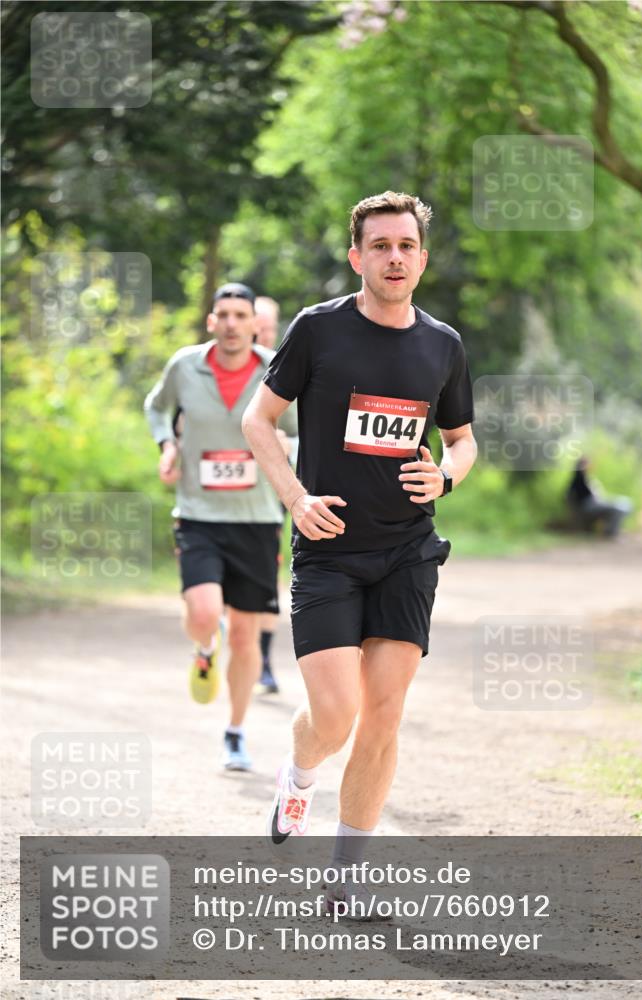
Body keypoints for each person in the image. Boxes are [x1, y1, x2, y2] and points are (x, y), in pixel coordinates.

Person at [242, 191, 477, 909]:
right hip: (329, 551)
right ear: (357, 257)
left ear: (422, 258)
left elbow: (463, 440)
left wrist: (443, 471)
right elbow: (258, 418)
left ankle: (345, 875)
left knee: (382, 717)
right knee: (336, 716)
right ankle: (299, 774)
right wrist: (295, 498)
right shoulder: (318, 331)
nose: (394, 257)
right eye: (379, 246)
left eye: (405, 245)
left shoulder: (442, 344)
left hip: (407, 551)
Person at [144, 282, 297, 771]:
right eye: (223, 315)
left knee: (246, 637)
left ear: (255, 323)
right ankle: (203, 648)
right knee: (206, 613)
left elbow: (299, 432)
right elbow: (155, 406)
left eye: (240, 315)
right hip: (198, 514)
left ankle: (235, 731)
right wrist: (167, 444)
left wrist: (278, 449)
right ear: (212, 321)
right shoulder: (185, 366)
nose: (231, 323)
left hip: (256, 520)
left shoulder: (278, 368)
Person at [254, 296, 283, 693]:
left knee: (266, 576)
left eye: (269, 328)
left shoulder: (286, 364)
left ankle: (262, 661)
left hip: (269, 493)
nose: (262, 334)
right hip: (219, 501)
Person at [566, 457, 633, 538]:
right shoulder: (579, 479)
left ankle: (611, 531)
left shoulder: (586, 479)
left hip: (594, 504)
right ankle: (610, 533)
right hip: (588, 506)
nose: (589, 466)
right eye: (586, 464)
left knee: (624, 503)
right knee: (618, 508)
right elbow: (573, 498)